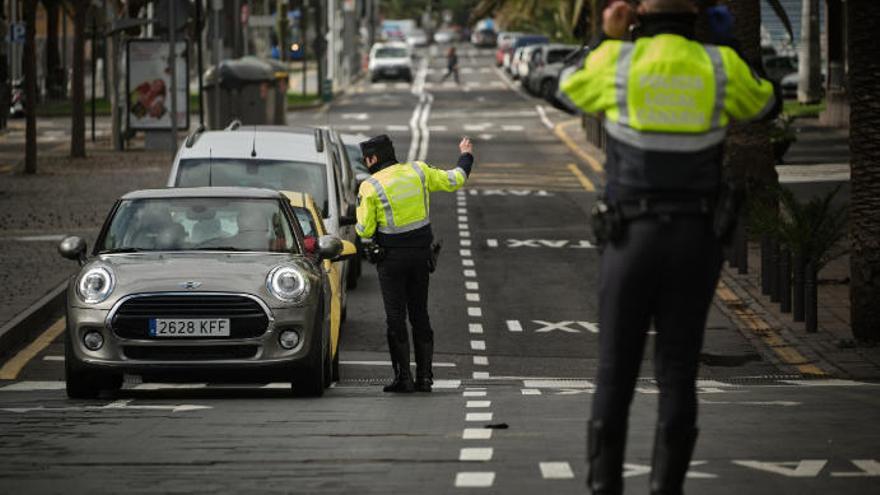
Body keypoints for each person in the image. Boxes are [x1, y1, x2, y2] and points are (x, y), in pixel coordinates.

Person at [560, 1, 777, 494]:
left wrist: (605, 38)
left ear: (637, 11)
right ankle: (666, 488)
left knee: (615, 369)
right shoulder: (719, 66)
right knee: (678, 371)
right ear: (698, 12)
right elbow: (767, 104)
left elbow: (562, 86)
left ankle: (604, 486)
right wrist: (732, 45)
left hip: (629, 238)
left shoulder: (618, 62)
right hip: (696, 241)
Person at [356, 135, 474, 393]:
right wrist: (465, 155)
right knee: (420, 314)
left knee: (395, 318)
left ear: (372, 158)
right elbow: (456, 179)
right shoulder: (418, 171)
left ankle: (403, 379)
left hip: (391, 260)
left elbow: (365, 230)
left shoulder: (370, 186)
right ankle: (425, 378)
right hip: (421, 257)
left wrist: (360, 228)